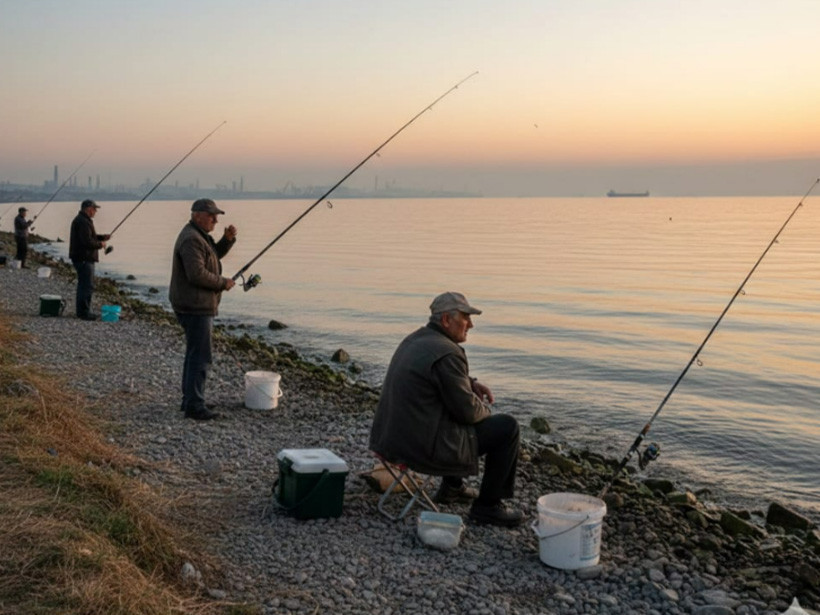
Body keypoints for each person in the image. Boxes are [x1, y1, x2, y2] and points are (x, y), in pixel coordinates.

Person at [370, 291, 524, 527]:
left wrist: (470, 383)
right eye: (466, 318)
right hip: (417, 449)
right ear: (446, 320)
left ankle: (452, 488)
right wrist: (485, 410)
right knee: (507, 428)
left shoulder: (417, 339)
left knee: (450, 414)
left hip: (390, 440)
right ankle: (488, 507)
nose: (471, 325)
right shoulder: (448, 353)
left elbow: (437, 378)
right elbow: (468, 412)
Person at [169, 198, 237, 421]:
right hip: (194, 306)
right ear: (197, 215)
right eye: (212, 216)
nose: (216, 220)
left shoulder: (197, 235)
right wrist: (222, 282)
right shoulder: (191, 239)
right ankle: (195, 406)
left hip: (194, 303)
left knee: (194, 353)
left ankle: (189, 400)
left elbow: (211, 256)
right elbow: (196, 274)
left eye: (216, 216)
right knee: (201, 356)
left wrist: (226, 241)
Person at [69, 199, 110, 320]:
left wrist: (102, 237)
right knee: (86, 286)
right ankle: (84, 313)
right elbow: (87, 242)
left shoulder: (83, 220)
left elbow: (89, 236)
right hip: (83, 258)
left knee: (84, 285)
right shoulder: (83, 222)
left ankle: (82, 311)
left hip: (82, 258)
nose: (95, 211)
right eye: (94, 209)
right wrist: (100, 244)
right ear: (88, 209)